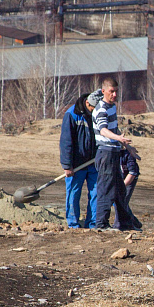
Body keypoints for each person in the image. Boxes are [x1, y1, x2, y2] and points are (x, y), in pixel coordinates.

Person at [89, 77, 140, 232]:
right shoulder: (101, 109)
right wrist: (118, 138)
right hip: (105, 153)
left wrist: (127, 147)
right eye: (112, 91)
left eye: (116, 91)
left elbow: (114, 129)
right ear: (104, 91)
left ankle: (125, 223)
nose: (115, 94)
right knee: (106, 189)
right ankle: (101, 225)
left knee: (119, 190)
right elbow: (104, 130)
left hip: (114, 151)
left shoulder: (112, 107)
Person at [59, 93, 98, 229]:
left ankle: (93, 224)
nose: (95, 111)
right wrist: (67, 165)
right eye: (93, 108)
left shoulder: (96, 114)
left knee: (96, 193)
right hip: (76, 165)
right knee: (74, 194)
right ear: (87, 103)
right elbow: (66, 142)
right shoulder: (72, 115)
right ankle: (73, 224)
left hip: (93, 162)